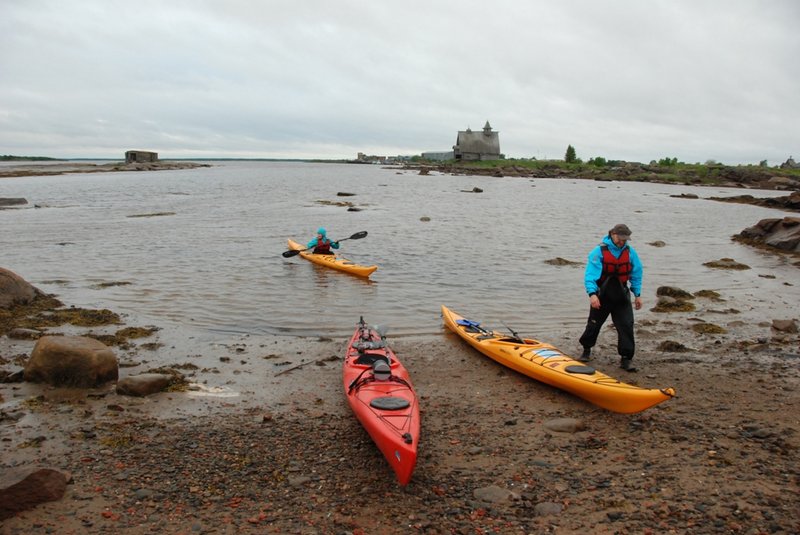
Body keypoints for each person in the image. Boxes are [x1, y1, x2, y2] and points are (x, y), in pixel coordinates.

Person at [578, 223, 643, 372]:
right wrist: (592, 294)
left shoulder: (630, 252)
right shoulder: (598, 252)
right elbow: (590, 276)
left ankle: (626, 359)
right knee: (593, 324)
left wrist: (637, 295)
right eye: (620, 238)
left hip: (621, 295)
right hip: (602, 295)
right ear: (612, 234)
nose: (622, 241)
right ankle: (586, 350)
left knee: (626, 325)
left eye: (625, 239)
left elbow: (636, 274)